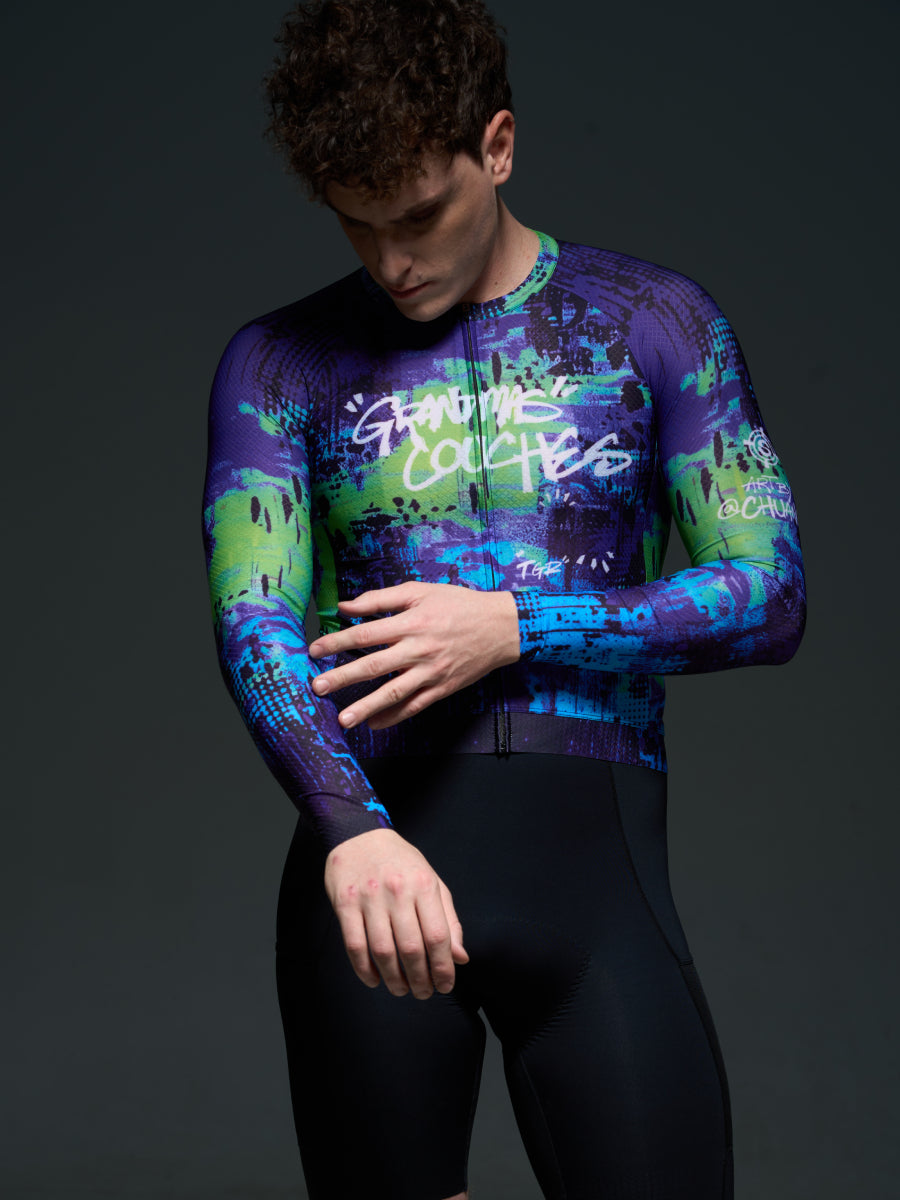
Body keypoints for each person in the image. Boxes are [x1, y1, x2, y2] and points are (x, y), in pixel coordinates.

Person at [201, 2, 806, 1197]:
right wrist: (351, 827)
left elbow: (772, 593)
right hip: (376, 887)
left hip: (596, 894)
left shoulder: (655, 325)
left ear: (499, 145)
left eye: (420, 215)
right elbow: (252, 620)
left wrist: (520, 626)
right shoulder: (279, 363)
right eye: (359, 223)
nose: (393, 262)